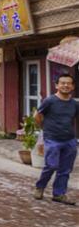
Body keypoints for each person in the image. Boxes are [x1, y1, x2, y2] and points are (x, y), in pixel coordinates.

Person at [33, 74, 78, 205]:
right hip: (52, 138)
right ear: (57, 85)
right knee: (51, 165)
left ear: (73, 86)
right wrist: (44, 128)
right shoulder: (50, 101)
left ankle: (59, 194)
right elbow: (38, 115)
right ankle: (40, 187)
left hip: (69, 140)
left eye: (68, 83)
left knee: (65, 169)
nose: (66, 85)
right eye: (62, 83)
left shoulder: (74, 104)